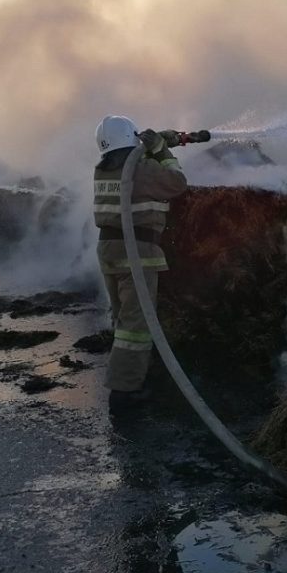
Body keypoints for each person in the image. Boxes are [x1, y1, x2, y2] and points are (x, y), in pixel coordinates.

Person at [93, 115, 188, 410]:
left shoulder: (102, 170)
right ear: (130, 139)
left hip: (109, 251)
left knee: (123, 320)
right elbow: (177, 183)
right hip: (138, 253)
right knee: (136, 326)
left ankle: (128, 374)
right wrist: (162, 151)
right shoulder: (142, 169)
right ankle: (124, 392)